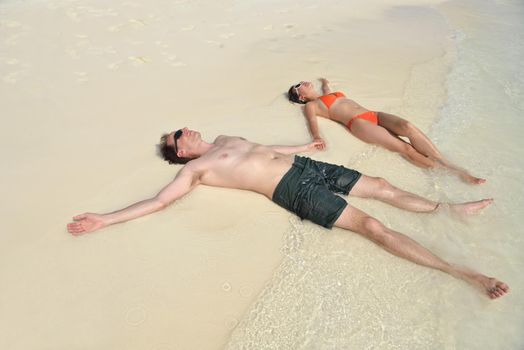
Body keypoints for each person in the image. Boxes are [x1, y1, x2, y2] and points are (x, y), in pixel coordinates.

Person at [67, 127, 508, 299]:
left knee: (383, 187)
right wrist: (105, 218)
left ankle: (450, 210)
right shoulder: (199, 170)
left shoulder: (224, 137)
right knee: (372, 225)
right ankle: (463, 273)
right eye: (178, 134)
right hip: (291, 189)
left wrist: (304, 147)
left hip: (305, 167)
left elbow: (266, 149)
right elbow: (160, 201)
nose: (187, 128)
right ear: (181, 151)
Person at [288, 78, 485, 185]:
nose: (302, 83)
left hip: (372, 114)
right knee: (404, 148)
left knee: (408, 127)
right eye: (298, 86)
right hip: (358, 124)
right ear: (301, 97)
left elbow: (329, 89)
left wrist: (324, 83)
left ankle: (444, 162)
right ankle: (450, 173)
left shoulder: (326, 94)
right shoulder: (311, 106)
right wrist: (316, 137)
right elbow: (312, 121)